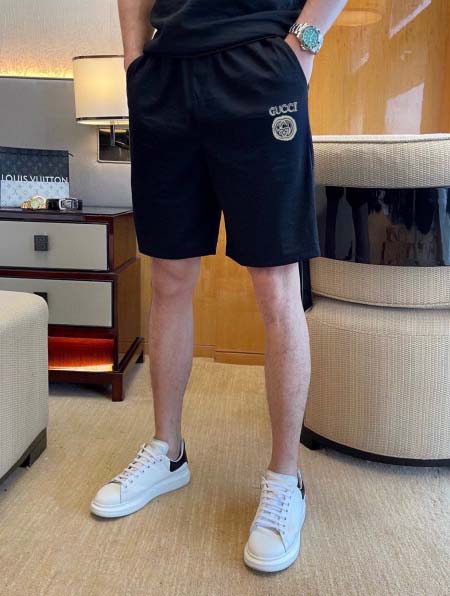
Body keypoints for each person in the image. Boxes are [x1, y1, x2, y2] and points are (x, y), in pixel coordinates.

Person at [91, 0, 348, 573]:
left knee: (276, 284)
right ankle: (168, 451)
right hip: (165, 77)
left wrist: (304, 44)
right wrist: (134, 61)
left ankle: (285, 479)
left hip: (259, 65)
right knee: (168, 275)